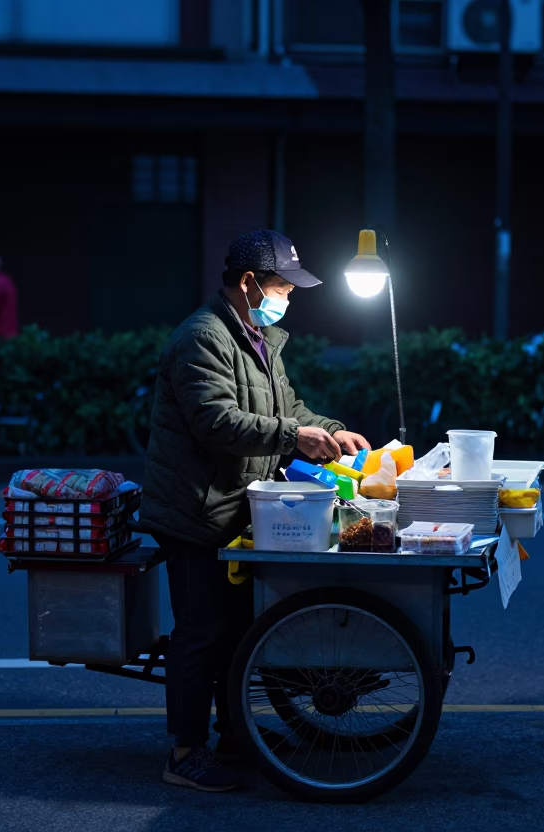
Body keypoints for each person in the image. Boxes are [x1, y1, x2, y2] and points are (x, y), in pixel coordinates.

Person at [140, 229, 371, 793]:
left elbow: (289, 409)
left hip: (238, 509)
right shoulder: (203, 337)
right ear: (248, 283)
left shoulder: (259, 337)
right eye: (280, 286)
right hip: (196, 513)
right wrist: (297, 437)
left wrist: (336, 434)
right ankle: (185, 752)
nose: (286, 297)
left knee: (242, 631)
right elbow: (215, 422)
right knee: (202, 633)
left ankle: (236, 735)